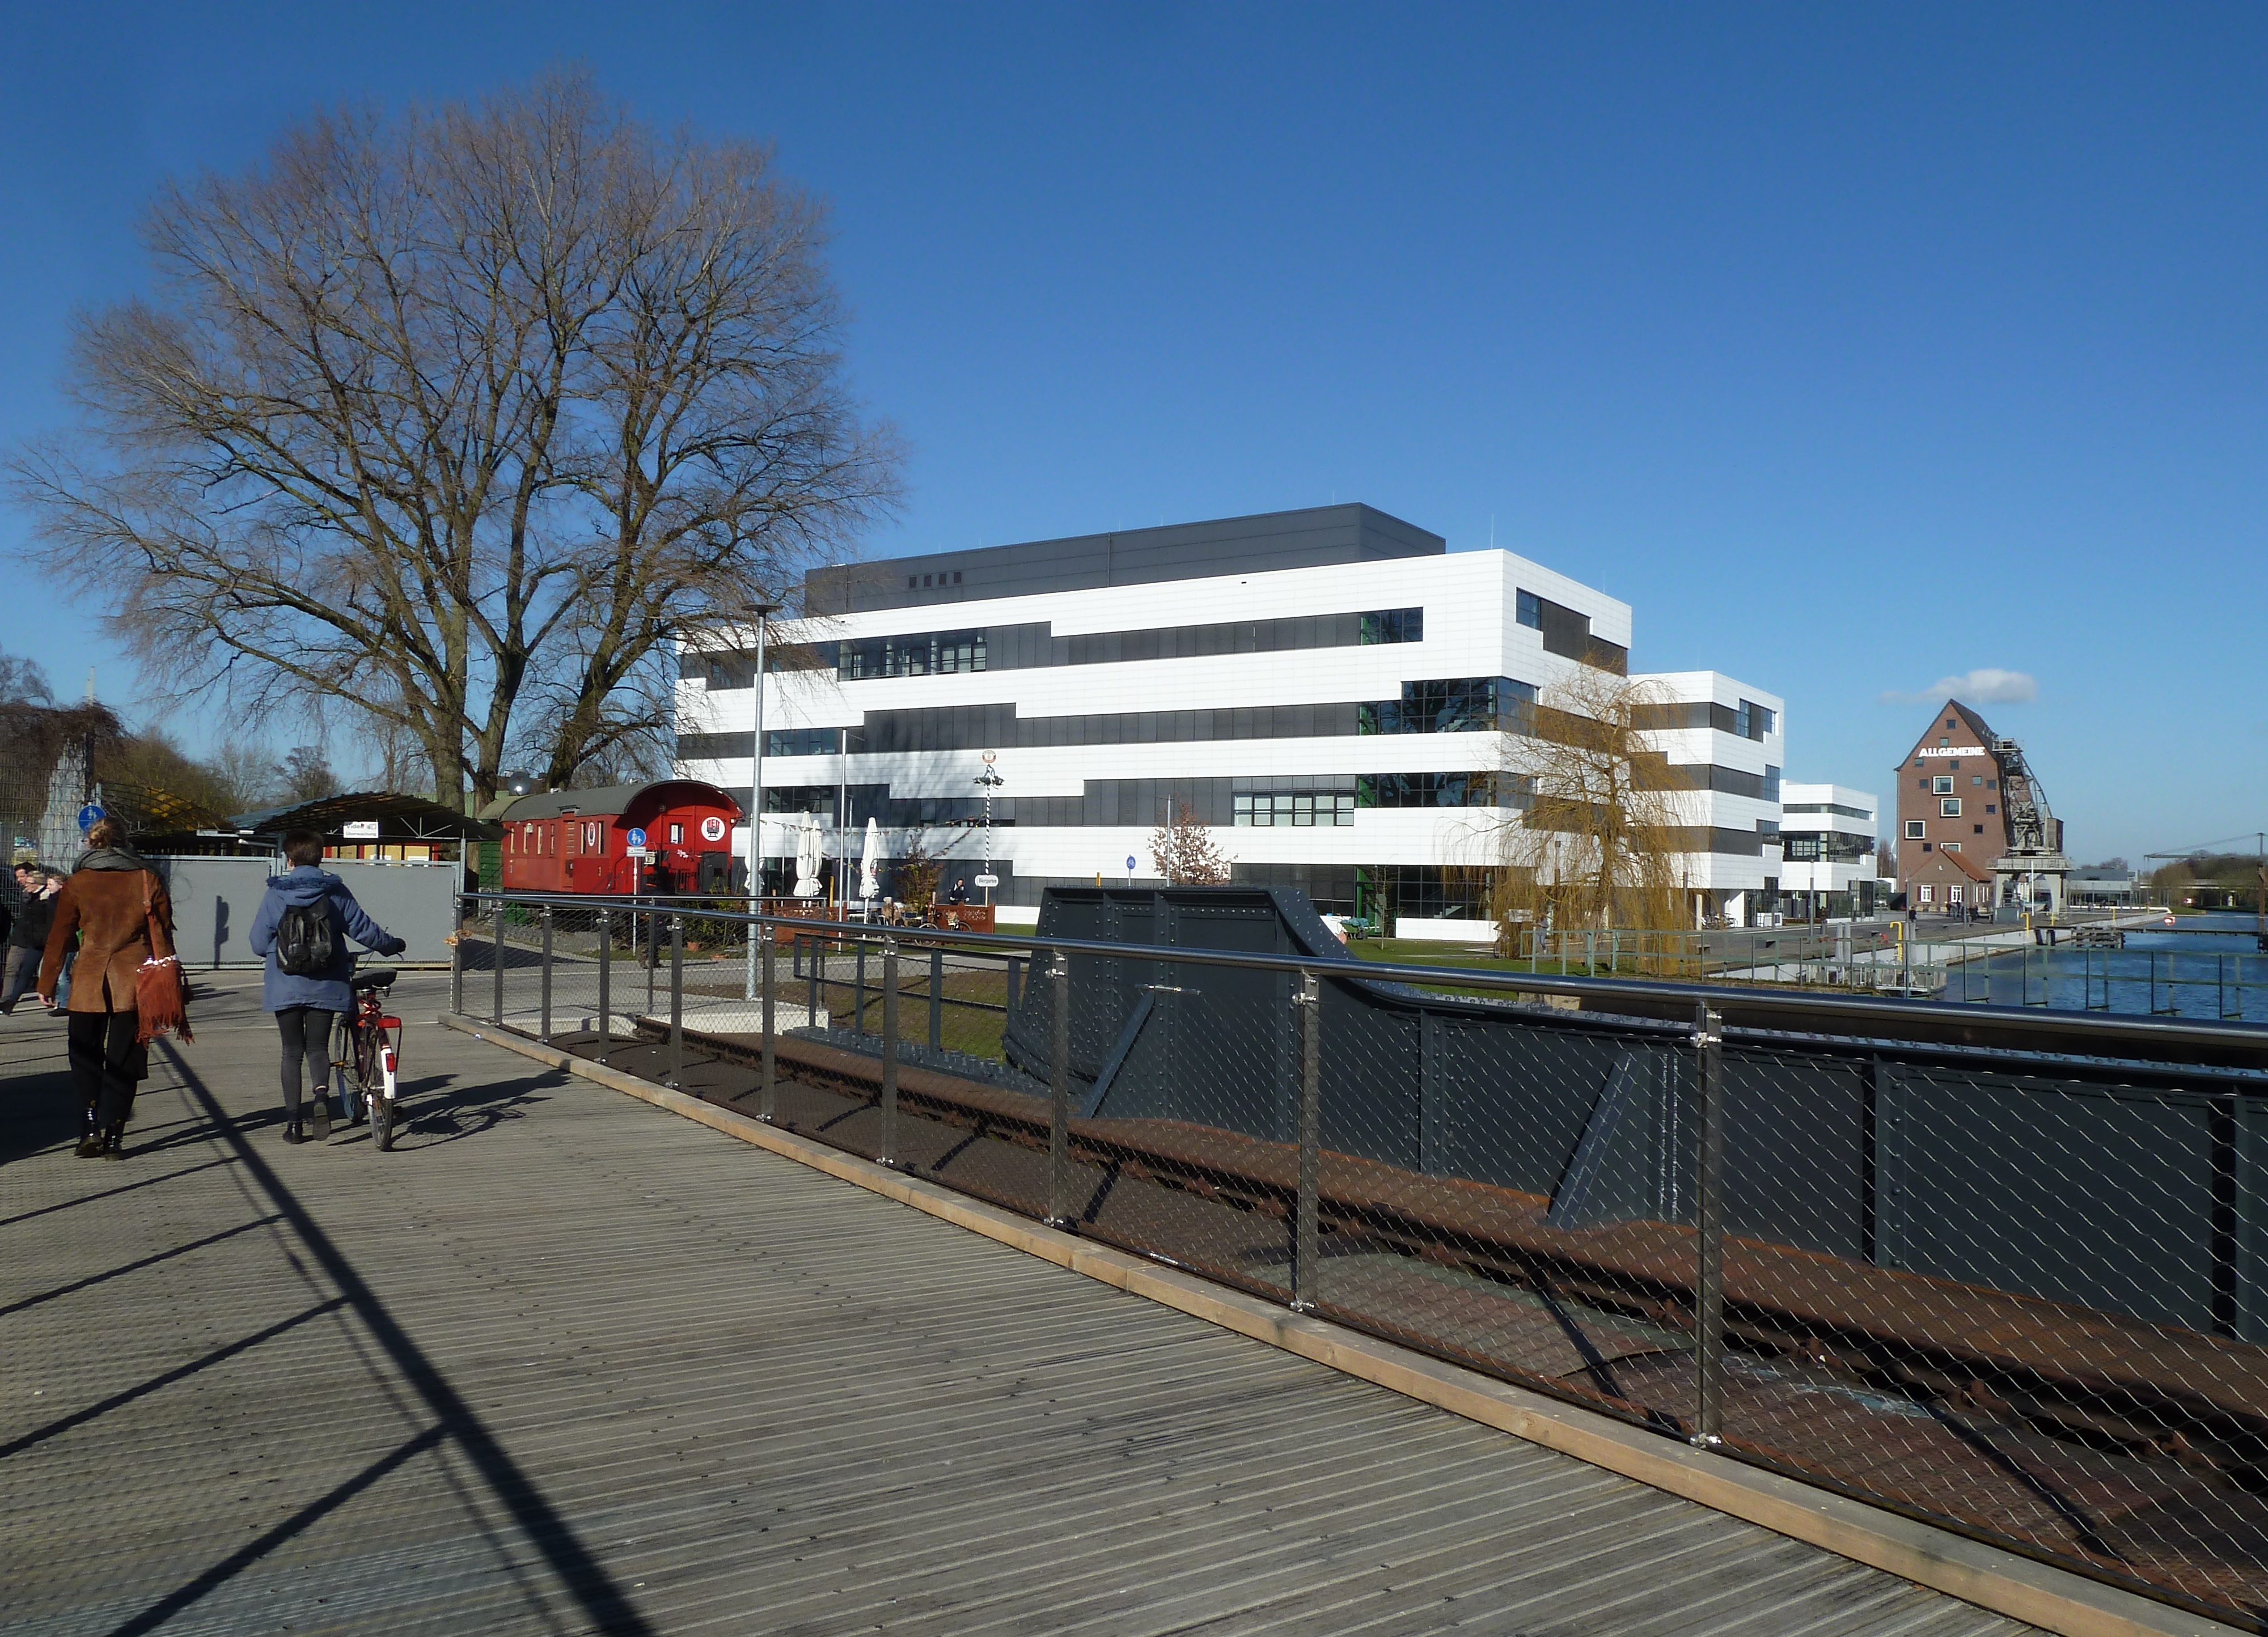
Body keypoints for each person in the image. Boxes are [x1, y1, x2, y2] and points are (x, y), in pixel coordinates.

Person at [248, 831, 407, 1145]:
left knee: (291, 1052)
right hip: (326, 983)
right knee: (317, 1048)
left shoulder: (275, 894)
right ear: (321, 858)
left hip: (284, 983)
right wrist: (392, 946)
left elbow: (256, 943)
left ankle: (294, 1125)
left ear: (289, 860)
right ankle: (321, 1096)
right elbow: (364, 930)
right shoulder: (335, 891)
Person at [36, 821, 175, 1158]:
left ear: (92, 844)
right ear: (126, 843)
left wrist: (47, 981)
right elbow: (165, 932)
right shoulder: (147, 878)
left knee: (84, 1055)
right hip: (135, 980)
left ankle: (88, 1127)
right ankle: (114, 1134)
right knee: (124, 1058)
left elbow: (61, 936)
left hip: (88, 979)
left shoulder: (79, 882)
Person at [1, 862, 59, 1013]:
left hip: (45, 940)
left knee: (55, 972)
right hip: (27, 939)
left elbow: (51, 920)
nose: (22, 882)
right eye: (18, 878)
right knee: (18, 970)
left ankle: (60, 999)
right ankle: (8, 1001)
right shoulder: (26, 895)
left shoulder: (48, 899)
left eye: (24, 878)